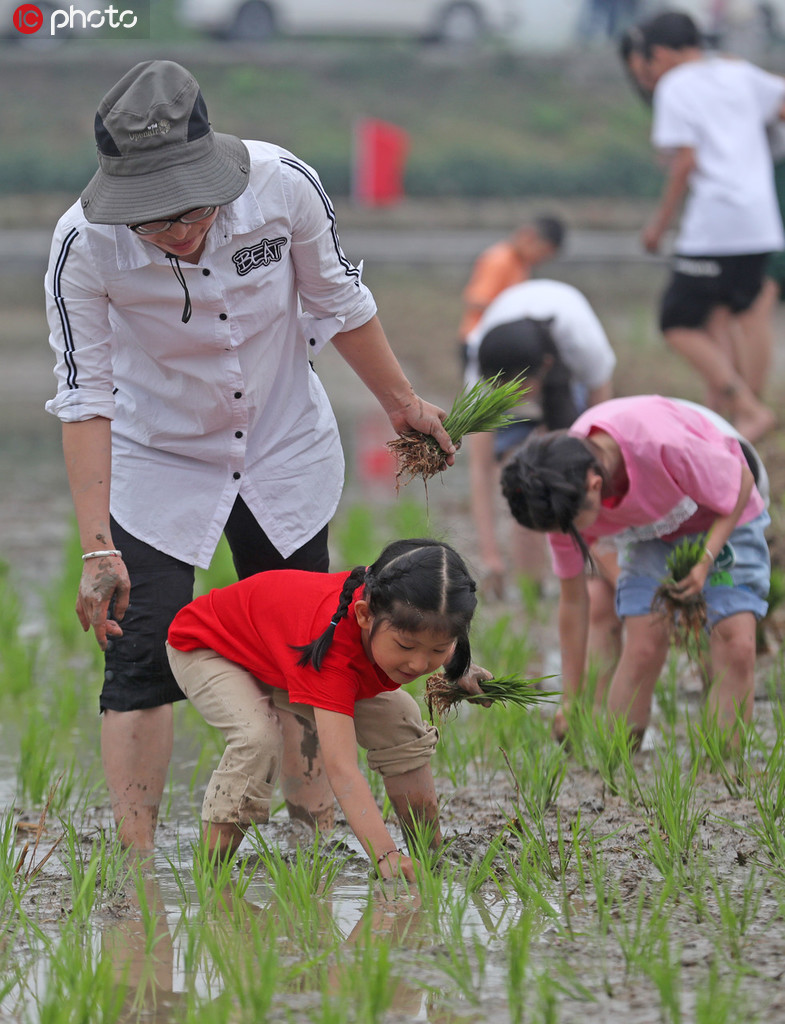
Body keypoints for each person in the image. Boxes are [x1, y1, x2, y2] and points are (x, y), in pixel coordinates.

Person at [43, 60, 456, 853]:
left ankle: (312, 838)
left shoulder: (281, 185)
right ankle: (136, 867)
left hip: (280, 449)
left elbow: (340, 303)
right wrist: (98, 544)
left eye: (193, 209)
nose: (179, 231)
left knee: (304, 649)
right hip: (156, 462)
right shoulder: (82, 246)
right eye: (154, 220)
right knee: (139, 662)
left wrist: (402, 404)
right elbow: (84, 394)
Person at [166, 539, 482, 876]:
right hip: (210, 646)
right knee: (257, 738)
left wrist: (459, 667)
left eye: (437, 648)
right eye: (406, 645)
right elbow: (342, 770)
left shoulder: (392, 602)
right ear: (364, 615)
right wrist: (384, 855)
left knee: (400, 719)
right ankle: (210, 872)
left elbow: (429, 635)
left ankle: (430, 856)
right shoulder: (333, 654)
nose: (420, 664)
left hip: (279, 655)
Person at [500, 395, 770, 745]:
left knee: (735, 641)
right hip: (653, 525)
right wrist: (571, 697)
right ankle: (619, 757)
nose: (566, 537)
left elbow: (740, 480)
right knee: (644, 639)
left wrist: (705, 561)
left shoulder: (660, 445)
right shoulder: (559, 500)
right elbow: (574, 603)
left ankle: (725, 768)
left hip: (726, 497)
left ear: (595, 485)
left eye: (570, 527)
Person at [635, 10, 785, 442]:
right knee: (741, 314)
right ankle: (739, 415)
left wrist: (659, 226)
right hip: (760, 221)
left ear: (660, 54)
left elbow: (685, 161)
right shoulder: (741, 73)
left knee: (676, 321)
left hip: (717, 224)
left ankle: (748, 409)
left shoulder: (676, 86)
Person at [464, 279, 615, 595]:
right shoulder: (483, 363)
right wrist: (489, 556)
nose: (512, 395)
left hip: (567, 375)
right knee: (524, 482)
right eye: (501, 388)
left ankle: (590, 574)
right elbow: (480, 467)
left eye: (517, 388)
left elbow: (604, 439)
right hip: (522, 360)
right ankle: (531, 587)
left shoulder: (584, 345)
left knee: (573, 475)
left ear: (544, 369)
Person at [457, 215, 566, 365]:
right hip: (479, 343)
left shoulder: (520, 264)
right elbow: (477, 300)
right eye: (542, 253)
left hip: (498, 342)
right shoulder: (499, 260)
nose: (540, 260)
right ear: (529, 237)